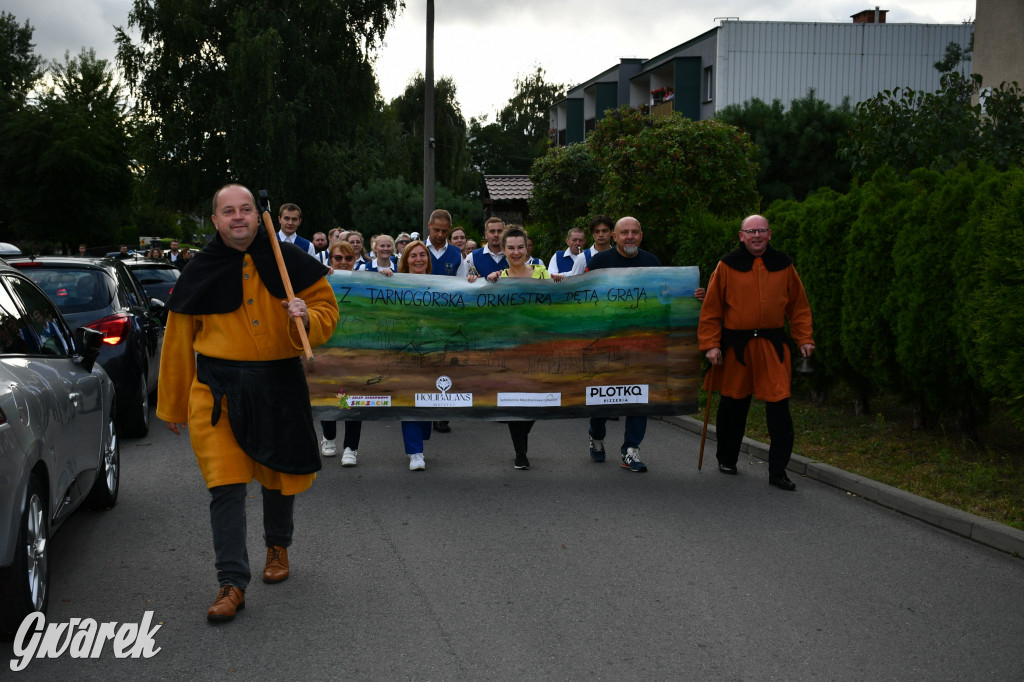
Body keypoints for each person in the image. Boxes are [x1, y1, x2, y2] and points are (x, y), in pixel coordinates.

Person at [157, 184, 340, 623]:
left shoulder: (291, 262)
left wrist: (307, 317)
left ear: (258, 217)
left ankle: (278, 545)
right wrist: (173, 403)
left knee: (279, 472)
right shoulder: (198, 271)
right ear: (216, 220)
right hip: (216, 390)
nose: (238, 217)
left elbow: (327, 314)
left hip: (278, 382)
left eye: (245, 210)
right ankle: (231, 582)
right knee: (225, 484)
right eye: (228, 211)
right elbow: (178, 341)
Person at [697, 214, 814, 491]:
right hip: (737, 347)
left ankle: (778, 471)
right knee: (733, 406)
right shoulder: (726, 266)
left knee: (779, 408)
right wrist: (711, 344)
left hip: (773, 346)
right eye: (751, 232)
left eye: (761, 231)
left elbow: (798, 306)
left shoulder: (784, 265)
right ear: (741, 236)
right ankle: (727, 458)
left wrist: (804, 339)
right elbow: (712, 309)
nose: (757, 236)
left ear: (770, 234)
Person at [482, 225, 564, 470]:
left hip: (540, 349)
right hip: (510, 351)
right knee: (513, 402)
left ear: (527, 248)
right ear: (504, 250)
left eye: (520, 247)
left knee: (539, 402)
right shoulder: (499, 279)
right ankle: (520, 451)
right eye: (511, 248)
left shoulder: (542, 273)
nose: (516, 252)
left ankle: (522, 437)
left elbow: (557, 303)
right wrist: (486, 282)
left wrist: (558, 283)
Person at [583, 217, 660, 473]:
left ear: (641, 235)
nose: (629, 237)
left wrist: (690, 294)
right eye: (624, 232)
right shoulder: (599, 262)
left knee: (639, 396)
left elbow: (663, 297)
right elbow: (582, 298)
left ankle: (631, 449)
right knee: (603, 398)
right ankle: (596, 435)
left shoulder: (652, 262)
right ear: (614, 237)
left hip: (640, 344)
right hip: (606, 343)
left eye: (634, 232)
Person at [320, 240, 366, 466]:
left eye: (348, 258)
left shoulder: (365, 280)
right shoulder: (321, 280)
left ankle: (351, 447)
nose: (343, 262)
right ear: (331, 259)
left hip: (355, 350)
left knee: (352, 398)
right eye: (338, 258)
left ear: (355, 259)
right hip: (327, 348)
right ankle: (328, 437)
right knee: (330, 394)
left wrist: (387, 274)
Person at [397, 240, 434, 470]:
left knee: (428, 401)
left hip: (432, 350)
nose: (418, 259)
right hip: (407, 349)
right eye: (413, 256)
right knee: (410, 399)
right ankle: (415, 452)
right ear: (406, 260)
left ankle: (420, 438)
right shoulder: (395, 282)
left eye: (422, 255)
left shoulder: (440, 284)